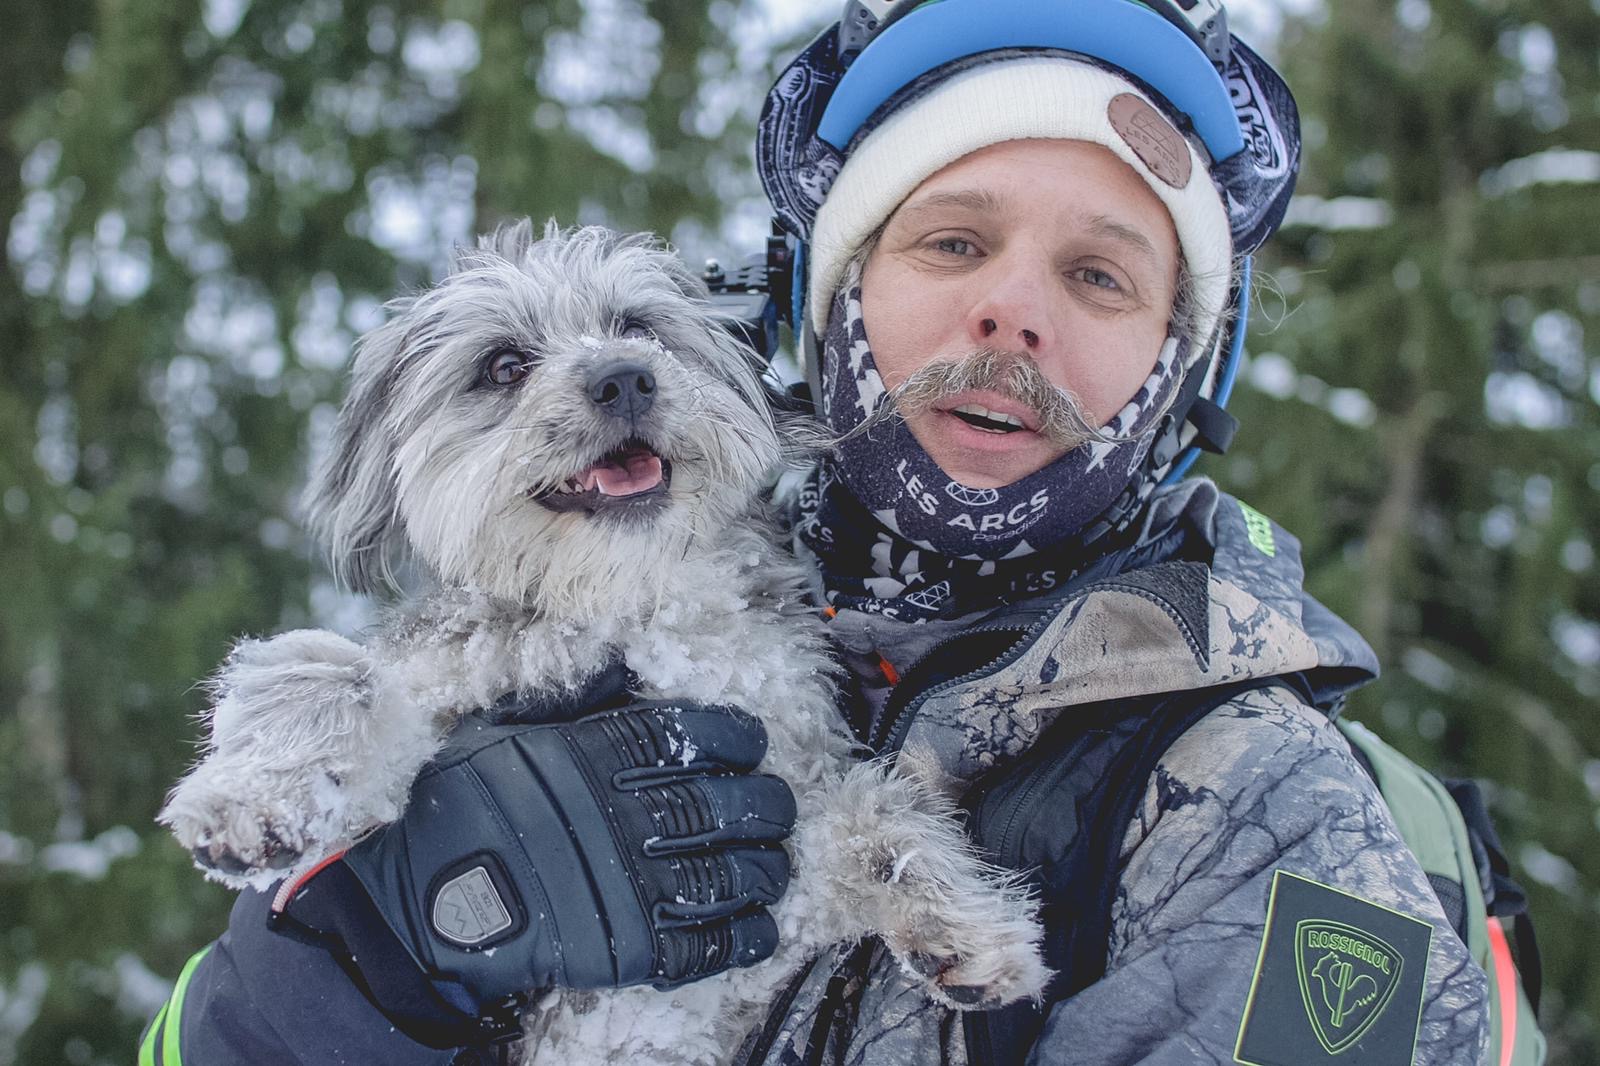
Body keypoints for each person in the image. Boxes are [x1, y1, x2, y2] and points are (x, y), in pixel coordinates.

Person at [141, 1, 1493, 1063]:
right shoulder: (511, 645)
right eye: (955, 243)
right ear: (816, 307)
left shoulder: (1274, 824)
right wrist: (349, 971)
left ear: (1178, 374)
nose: (1013, 311)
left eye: (1097, 274)